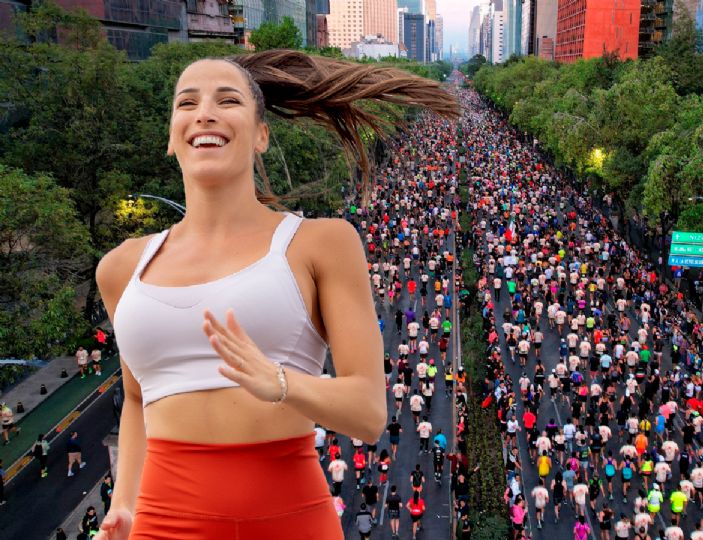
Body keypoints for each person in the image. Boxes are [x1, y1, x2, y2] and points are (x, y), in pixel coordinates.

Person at [93, 50, 456, 540]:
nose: (205, 112)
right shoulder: (121, 268)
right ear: (171, 137)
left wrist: (280, 381)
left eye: (228, 100)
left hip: (290, 519)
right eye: (187, 102)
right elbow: (137, 399)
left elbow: (369, 413)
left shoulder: (320, 243)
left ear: (261, 135)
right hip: (162, 526)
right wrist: (125, 505)